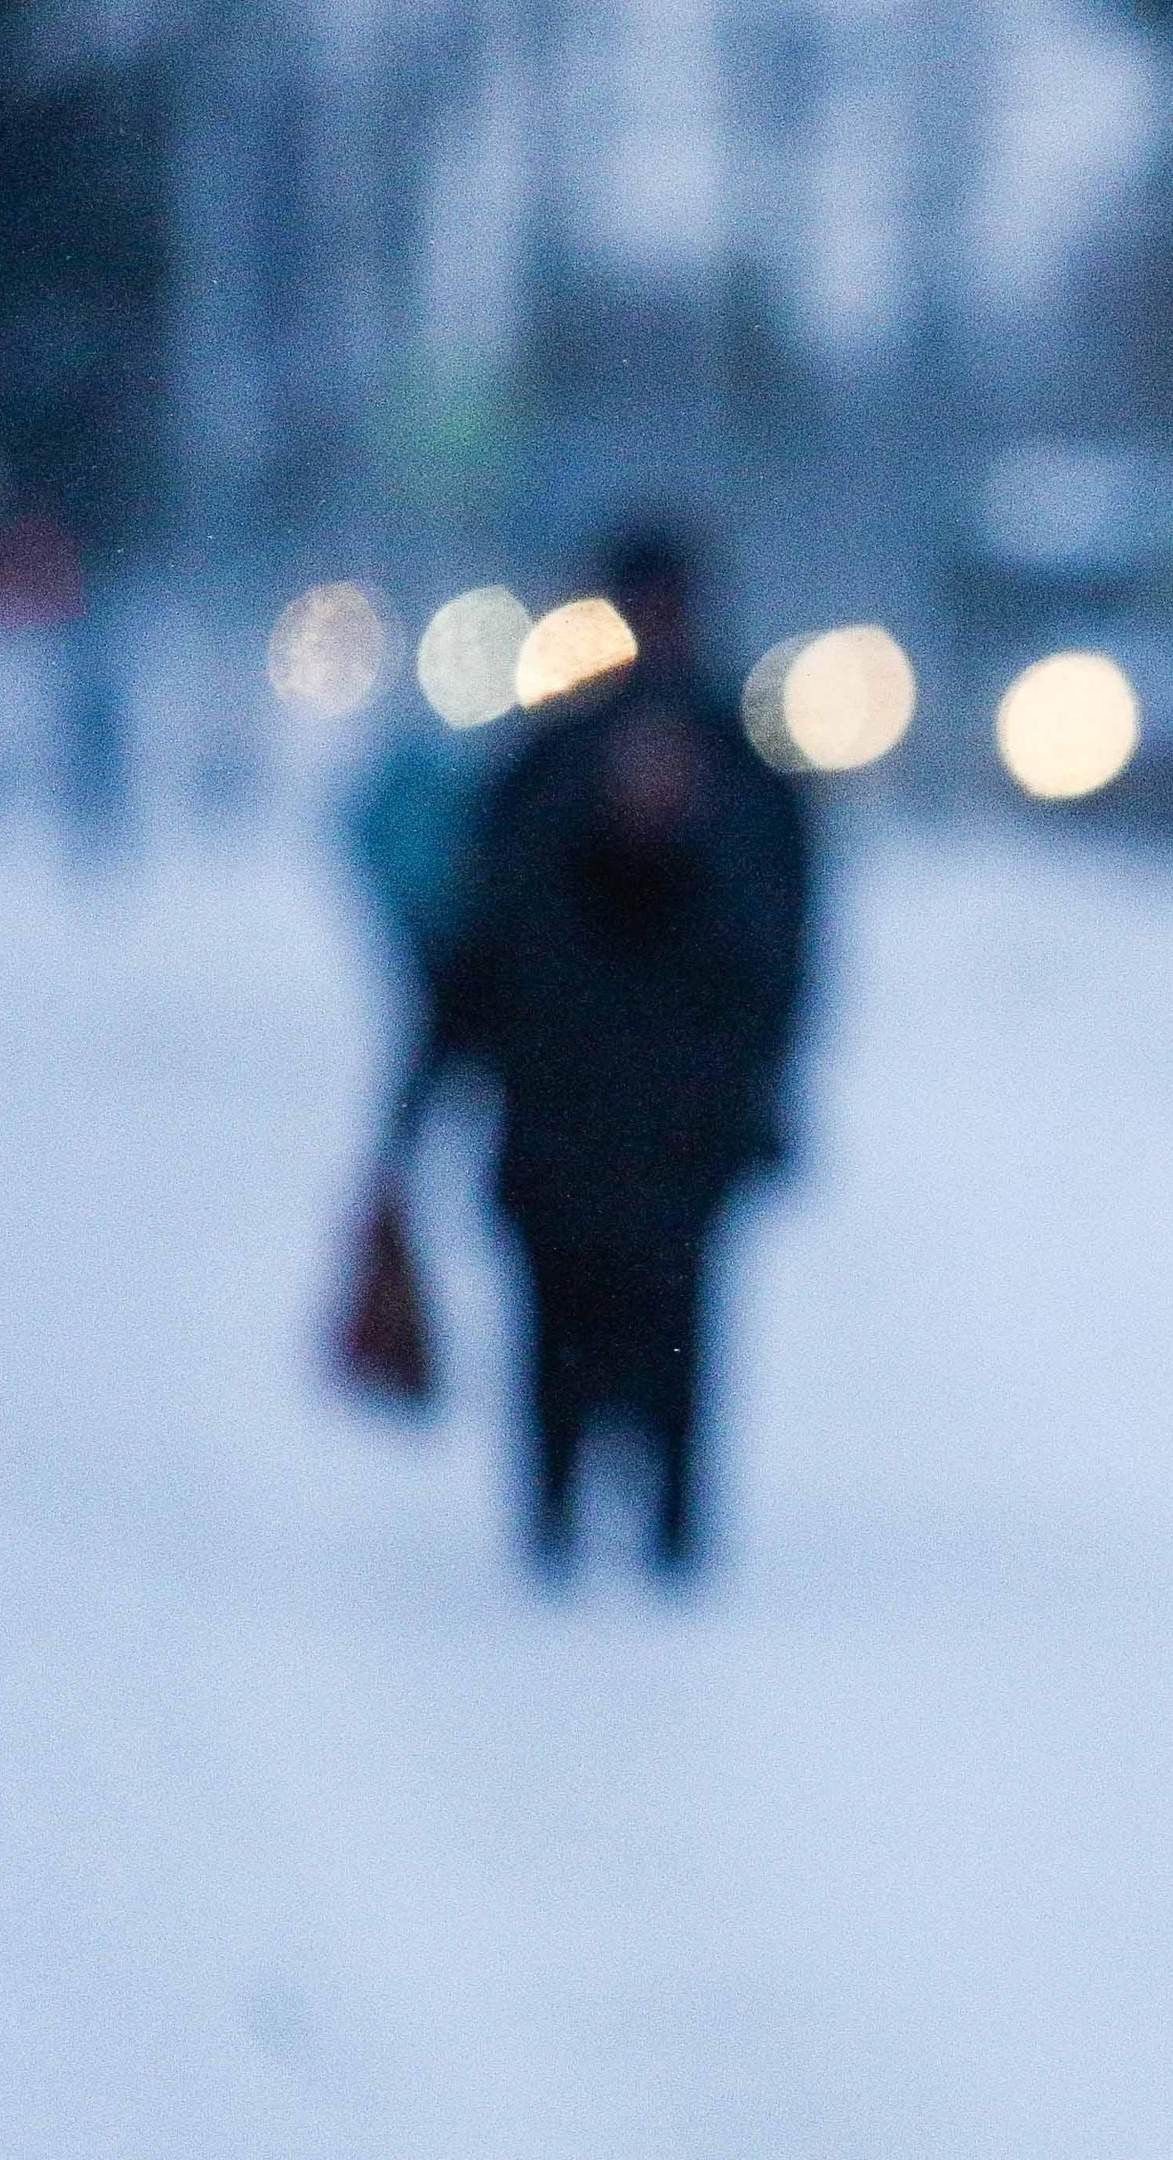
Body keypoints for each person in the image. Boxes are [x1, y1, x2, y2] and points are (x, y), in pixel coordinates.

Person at [394, 526, 812, 1581]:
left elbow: (782, 957)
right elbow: (476, 951)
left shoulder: (733, 769)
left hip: (667, 1124)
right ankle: (558, 1530)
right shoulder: (550, 764)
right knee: (562, 1335)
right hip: (569, 1118)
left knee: (668, 1337)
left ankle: (661, 1537)